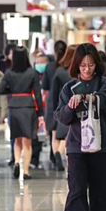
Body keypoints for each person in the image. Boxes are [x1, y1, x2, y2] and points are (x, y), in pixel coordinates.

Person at [54, 43, 106, 211]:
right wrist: (71, 106)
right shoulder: (68, 88)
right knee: (77, 188)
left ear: (96, 65)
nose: (87, 69)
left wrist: (88, 98)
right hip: (76, 146)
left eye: (90, 65)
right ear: (76, 66)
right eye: (83, 66)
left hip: (102, 144)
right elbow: (61, 117)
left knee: (100, 189)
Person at [0, 47, 44, 180]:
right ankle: (26, 171)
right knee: (27, 141)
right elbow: (37, 94)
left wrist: (12, 91)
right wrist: (40, 111)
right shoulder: (32, 72)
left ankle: (17, 162)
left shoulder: (9, 73)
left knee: (16, 138)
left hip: (14, 106)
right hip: (28, 106)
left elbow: (0, 89)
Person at [51, 45, 78, 171]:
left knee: (61, 135)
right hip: (78, 107)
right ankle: (70, 165)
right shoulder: (79, 72)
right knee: (72, 138)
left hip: (63, 107)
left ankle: (58, 153)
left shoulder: (60, 71)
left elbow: (54, 92)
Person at [42, 40, 67, 168]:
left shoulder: (50, 66)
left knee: (54, 133)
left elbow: (45, 85)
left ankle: (55, 154)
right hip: (66, 103)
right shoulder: (69, 68)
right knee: (66, 133)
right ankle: (59, 153)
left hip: (52, 102)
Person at [30, 54, 49, 169]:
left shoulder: (49, 76)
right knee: (37, 135)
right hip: (37, 109)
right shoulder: (33, 75)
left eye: (42, 62)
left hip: (48, 108)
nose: (39, 65)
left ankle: (53, 155)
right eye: (37, 63)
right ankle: (34, 158)